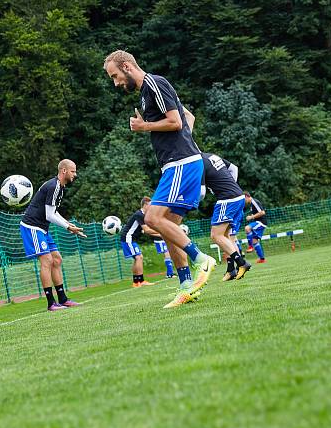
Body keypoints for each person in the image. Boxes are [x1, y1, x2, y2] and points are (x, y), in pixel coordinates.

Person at [103, 50, 216, 309]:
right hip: (180, 163)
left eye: (115, 76)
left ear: (128, 66)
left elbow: (176, 121)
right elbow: (189, 118)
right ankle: (187, 286)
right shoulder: (146, 94)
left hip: (181, 164)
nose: (116, 83)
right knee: (168, 231)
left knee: (153, 218)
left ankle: (201, 259)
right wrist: (183, 141)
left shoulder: (155, 83)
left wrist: (146, 128)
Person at [20, 159, 84, 311]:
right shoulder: (54, 186)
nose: (75, 174)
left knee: (57, 259)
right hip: (32, 226)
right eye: (73, 171)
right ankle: (51, 303)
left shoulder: (59, 187)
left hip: (42, 228)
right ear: (64, 171)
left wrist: (69, 225)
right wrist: (68, 226)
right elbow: (49, 215)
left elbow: (53, 212)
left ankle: (63, 299)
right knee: (47, 260)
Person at [202, 153, 252, 281]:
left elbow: (201, 193)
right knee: (226, 236)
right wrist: (231, 185)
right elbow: (234, 168)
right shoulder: (211, 156)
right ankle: (231, 270)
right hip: (238, 196)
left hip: (227, 199)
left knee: (216, 235)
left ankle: (242, 263)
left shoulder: (198, 162)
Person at [119, 197, 156, 287]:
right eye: (150, 205)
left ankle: (136, 282)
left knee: (138, 257)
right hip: (128, 238)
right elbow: (147, 230)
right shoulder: (139, 214)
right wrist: (161, 233)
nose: (152, 207)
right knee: (138, 257)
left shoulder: (142, 215)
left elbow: (143, 230)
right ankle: (141, 281)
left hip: (130, 239)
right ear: (146, 204)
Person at [244, 192, 267, 263]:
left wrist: (252, 217)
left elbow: (262, 212)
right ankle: (262, 259)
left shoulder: (254, 202)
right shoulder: (251, 204)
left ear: (246, 196)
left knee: (247, 228)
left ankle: (250, 247)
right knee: (255, 241)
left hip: (261, 222)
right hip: (259, 222)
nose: (243, 201)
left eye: (243, 199)